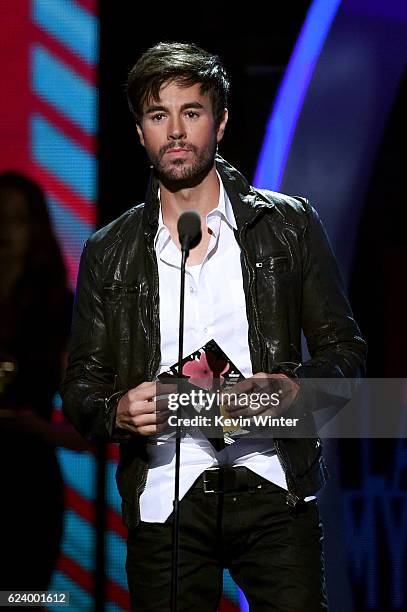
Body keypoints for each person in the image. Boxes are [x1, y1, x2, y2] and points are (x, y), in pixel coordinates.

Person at [62, 42, 367, 611]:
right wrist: (118, 411)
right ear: (140, 132)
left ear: (220, 122)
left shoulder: (289, 226)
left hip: (273, 485)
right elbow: (81, 391)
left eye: (191, 112)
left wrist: (297, 392)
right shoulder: (110, 252)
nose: (175, 131)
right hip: (167, 497)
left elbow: (346, 353)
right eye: (159, 116)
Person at [0, 172, 90, 591]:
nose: (4, 230)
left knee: (21, 599)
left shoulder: (57, 311)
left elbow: (83, 432)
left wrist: (30, 427)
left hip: (28, 492)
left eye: (15, 219)